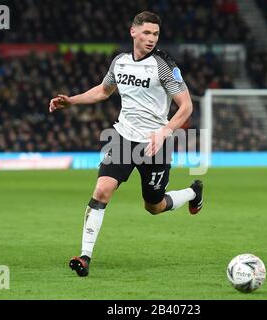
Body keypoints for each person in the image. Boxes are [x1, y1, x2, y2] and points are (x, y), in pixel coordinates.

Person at [49, 11, 204, 277]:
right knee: (101, 191)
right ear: (133, 32)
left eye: (155, 34)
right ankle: (85, 257)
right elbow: (103, 90)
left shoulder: (163, 65)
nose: (151, 39)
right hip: (122, 138)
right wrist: (71, 101)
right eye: (146, 33)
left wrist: (165, 131)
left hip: (155, 144)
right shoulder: (120, 62)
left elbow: (186, 106)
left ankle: (193, 192)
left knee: (153, 206)